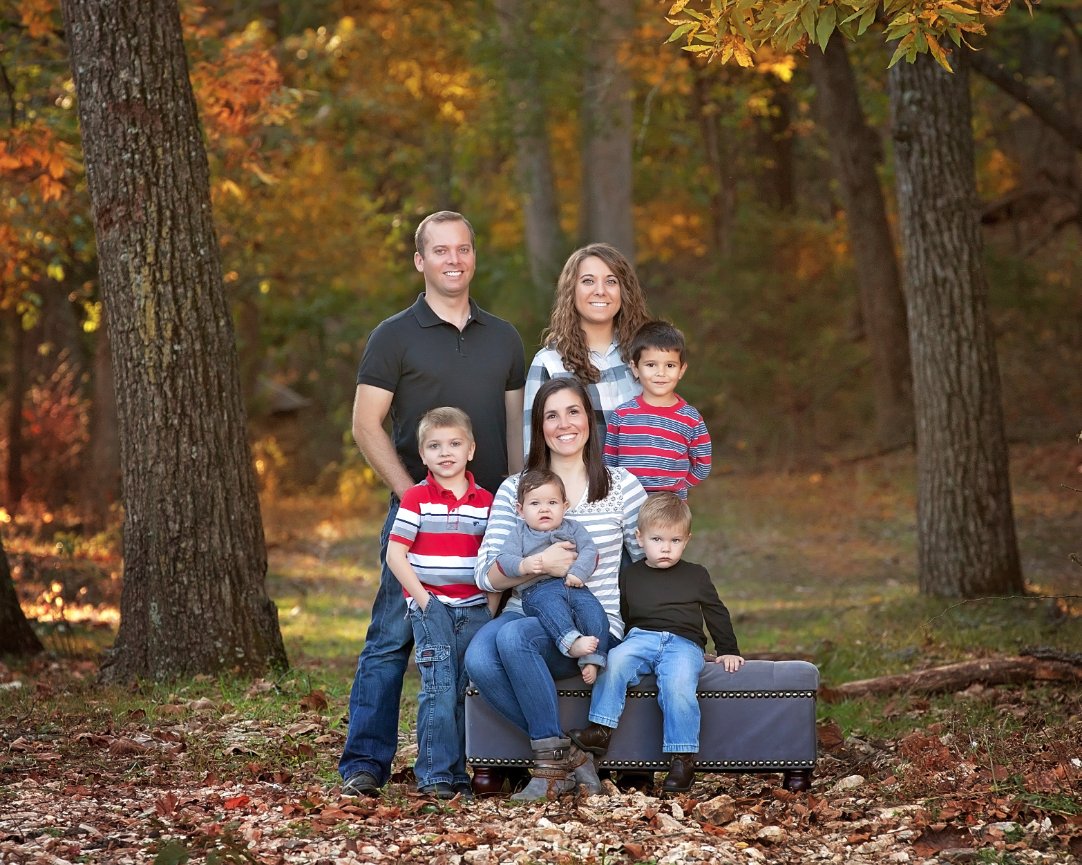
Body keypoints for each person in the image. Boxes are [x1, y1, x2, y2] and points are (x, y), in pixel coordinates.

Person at [339, 211, 526, 798]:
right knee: (392, 638)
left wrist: (514, 505)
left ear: (474, 257)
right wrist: (410, 496)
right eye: (440, 250)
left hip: (488, 520)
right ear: (420, 261)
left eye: (463, 249)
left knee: (479, 642)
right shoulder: (393, 335)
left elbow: (514, 432)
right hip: (419, 519)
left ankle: (471, 762)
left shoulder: (505, 337)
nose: (453, 260)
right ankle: (364, 763)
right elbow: (365, 424)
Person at [465, 377, 648, 801]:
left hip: (592, 621)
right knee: (478, 658)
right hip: (523, 609)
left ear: (589, 420)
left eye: (573, 412)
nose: (564, 424)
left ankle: (549, 770)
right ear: (539, 427)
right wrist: (539, 565)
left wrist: (671, 630)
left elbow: (650, 561)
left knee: (514, 638)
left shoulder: (622, 486)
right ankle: (568, 757)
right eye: (551, 415)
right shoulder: (515, 489)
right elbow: (485, 574)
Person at [569, 492, 744, 794]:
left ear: (687, 540)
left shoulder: (696, 575)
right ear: (639, 538)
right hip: (641, 638)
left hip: (684, 643)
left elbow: (716, 611)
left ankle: (682, 759)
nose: (666, 548)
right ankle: (601, 729)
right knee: (615, 662)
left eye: (675, 541)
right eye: (657, 539)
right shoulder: (631, 575)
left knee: (678, 684)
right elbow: (624, 613)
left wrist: (728, 649)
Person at [386, 407, 495, 800]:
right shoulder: (417, 498)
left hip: (475, 609)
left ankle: (459, 774)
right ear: (423, 454)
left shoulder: (487, 502)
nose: (445, 452)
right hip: (432, 608)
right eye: (434, 446)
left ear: (471, 450)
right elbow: (395, 555)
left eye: (454, 444)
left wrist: (491, 609)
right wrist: (425, 602)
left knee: (467, 691)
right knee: (439, 688)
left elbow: (494, 559)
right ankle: (434, 773)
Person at [523, 243, 650, 453]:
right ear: (571, 290)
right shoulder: (548, 363)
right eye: (588, 281)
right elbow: (534, 453)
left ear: (624, 291)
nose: (600, 291)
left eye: (611, 281)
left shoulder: (645, 356)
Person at [495, 468, 605, 684]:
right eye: (535, 503)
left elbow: (590, 551)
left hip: (574, 586)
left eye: (552, 503)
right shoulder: (520, 533)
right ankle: (570, 642)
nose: (544, 509)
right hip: (538, 591)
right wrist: (525, 565)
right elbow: (503, 559)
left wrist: (578, 572)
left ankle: (593, 658)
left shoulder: (573, 528)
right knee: (552, 607)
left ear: (565, 506)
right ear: (520, 510)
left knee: (594, 611)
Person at [603, 321, 711, 498]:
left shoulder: (690, 418)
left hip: (669, 505)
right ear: (635, 368)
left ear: (681, 370)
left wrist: (680, 486)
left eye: (670, 365)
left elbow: (703, 463)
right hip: (628, 503)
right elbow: (609, 462)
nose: (661, 373)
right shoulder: (622, 415)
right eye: (651, 365)